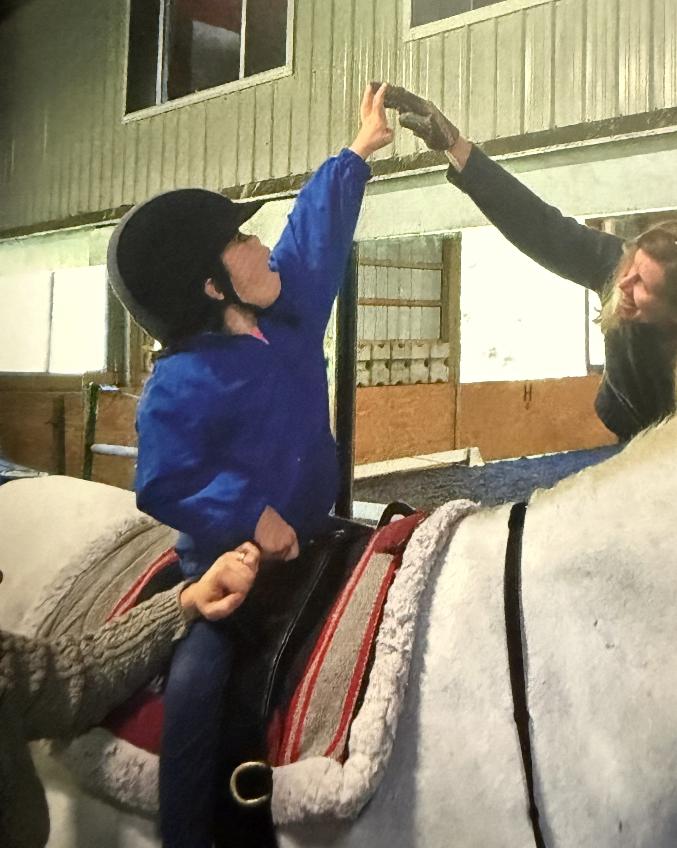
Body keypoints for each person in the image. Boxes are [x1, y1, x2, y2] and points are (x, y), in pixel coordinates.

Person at [106, 84, 394, 847]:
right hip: (230, 565)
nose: (263, 249)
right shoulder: (180, 385)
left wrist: (357, 151)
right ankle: (189, 831)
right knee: (200, 682)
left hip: (318, 528)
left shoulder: (288, 311)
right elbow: (164, 479)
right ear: (211, 285)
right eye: (243, 246)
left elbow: (314, 235)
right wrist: (248, 515)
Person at [381, 84, 677, 441]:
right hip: (631, 431)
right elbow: (540, 227)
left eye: (642, 286)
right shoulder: (619, 267)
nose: (622, 285)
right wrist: (456, 146)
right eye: (630, 270)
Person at [0, 544, 259, 848]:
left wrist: (188, 600)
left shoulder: (6, 663)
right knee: (193, 681)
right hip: (203, 547)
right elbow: (159, 496)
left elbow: (78, 675)